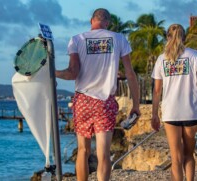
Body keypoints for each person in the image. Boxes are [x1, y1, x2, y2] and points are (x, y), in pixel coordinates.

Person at [55, 8, 140, 181]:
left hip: (82, 101)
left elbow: (72, 73)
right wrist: (136, 105)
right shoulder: (119, 39)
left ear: (91, 21)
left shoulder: (77, 40)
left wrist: (53, 72)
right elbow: (130, 74)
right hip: (105, 102)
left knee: (83, 151)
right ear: (108, 23)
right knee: (103, 153)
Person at [151, 24, 197, 181]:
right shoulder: (195, 55)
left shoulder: (161, 59)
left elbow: (157, 91)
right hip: (191, 111)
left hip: (171, 112)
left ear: (167, 38)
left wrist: (154, 115)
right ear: (184, 37)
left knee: (176, 158)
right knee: (188, 155)